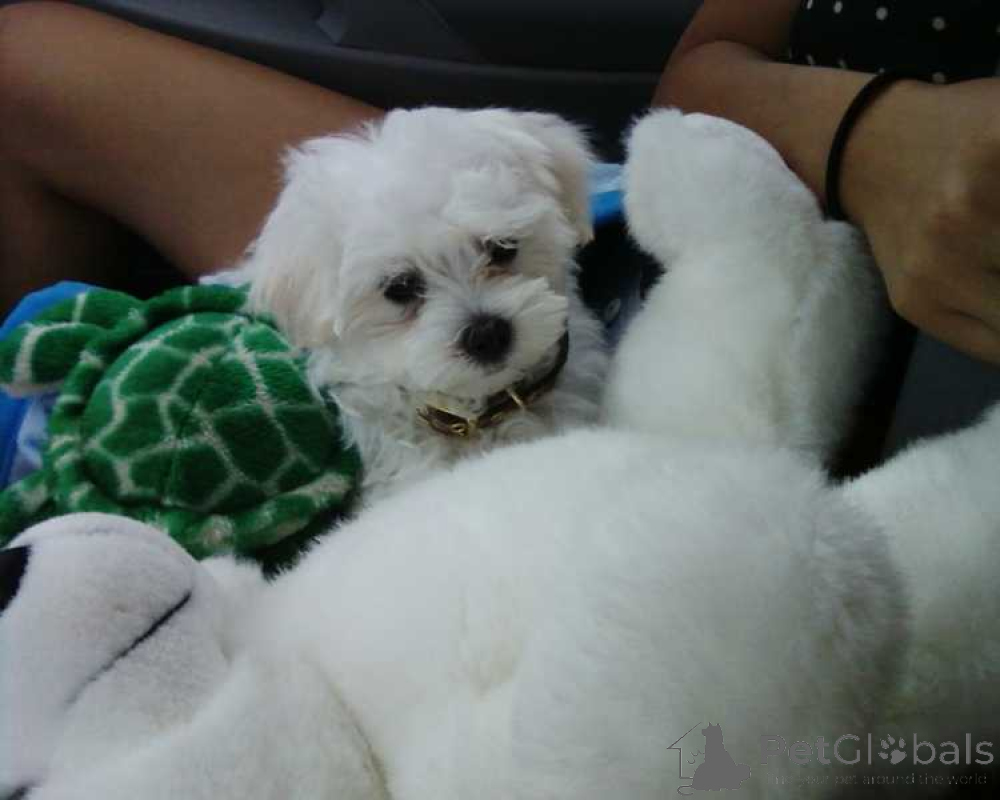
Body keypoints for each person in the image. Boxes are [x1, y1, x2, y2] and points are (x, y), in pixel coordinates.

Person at [0, 1, 996, 441]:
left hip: (785, 357)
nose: (474, 314)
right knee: (21, 60)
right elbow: (699, 68)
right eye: (405, 288)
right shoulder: (319, 273)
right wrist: (870, 132)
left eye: (496, 254)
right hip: (694, 205)